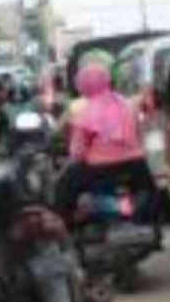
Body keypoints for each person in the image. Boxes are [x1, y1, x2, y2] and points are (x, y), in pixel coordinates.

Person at [58, 62, 157, 220]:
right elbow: (139, 133)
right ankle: (146, 215)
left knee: (65, 186)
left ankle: (68, 221)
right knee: (149, 189)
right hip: (135, 164)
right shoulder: (128, 105)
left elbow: (78, 151)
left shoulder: (83, 112)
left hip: (99, 169)